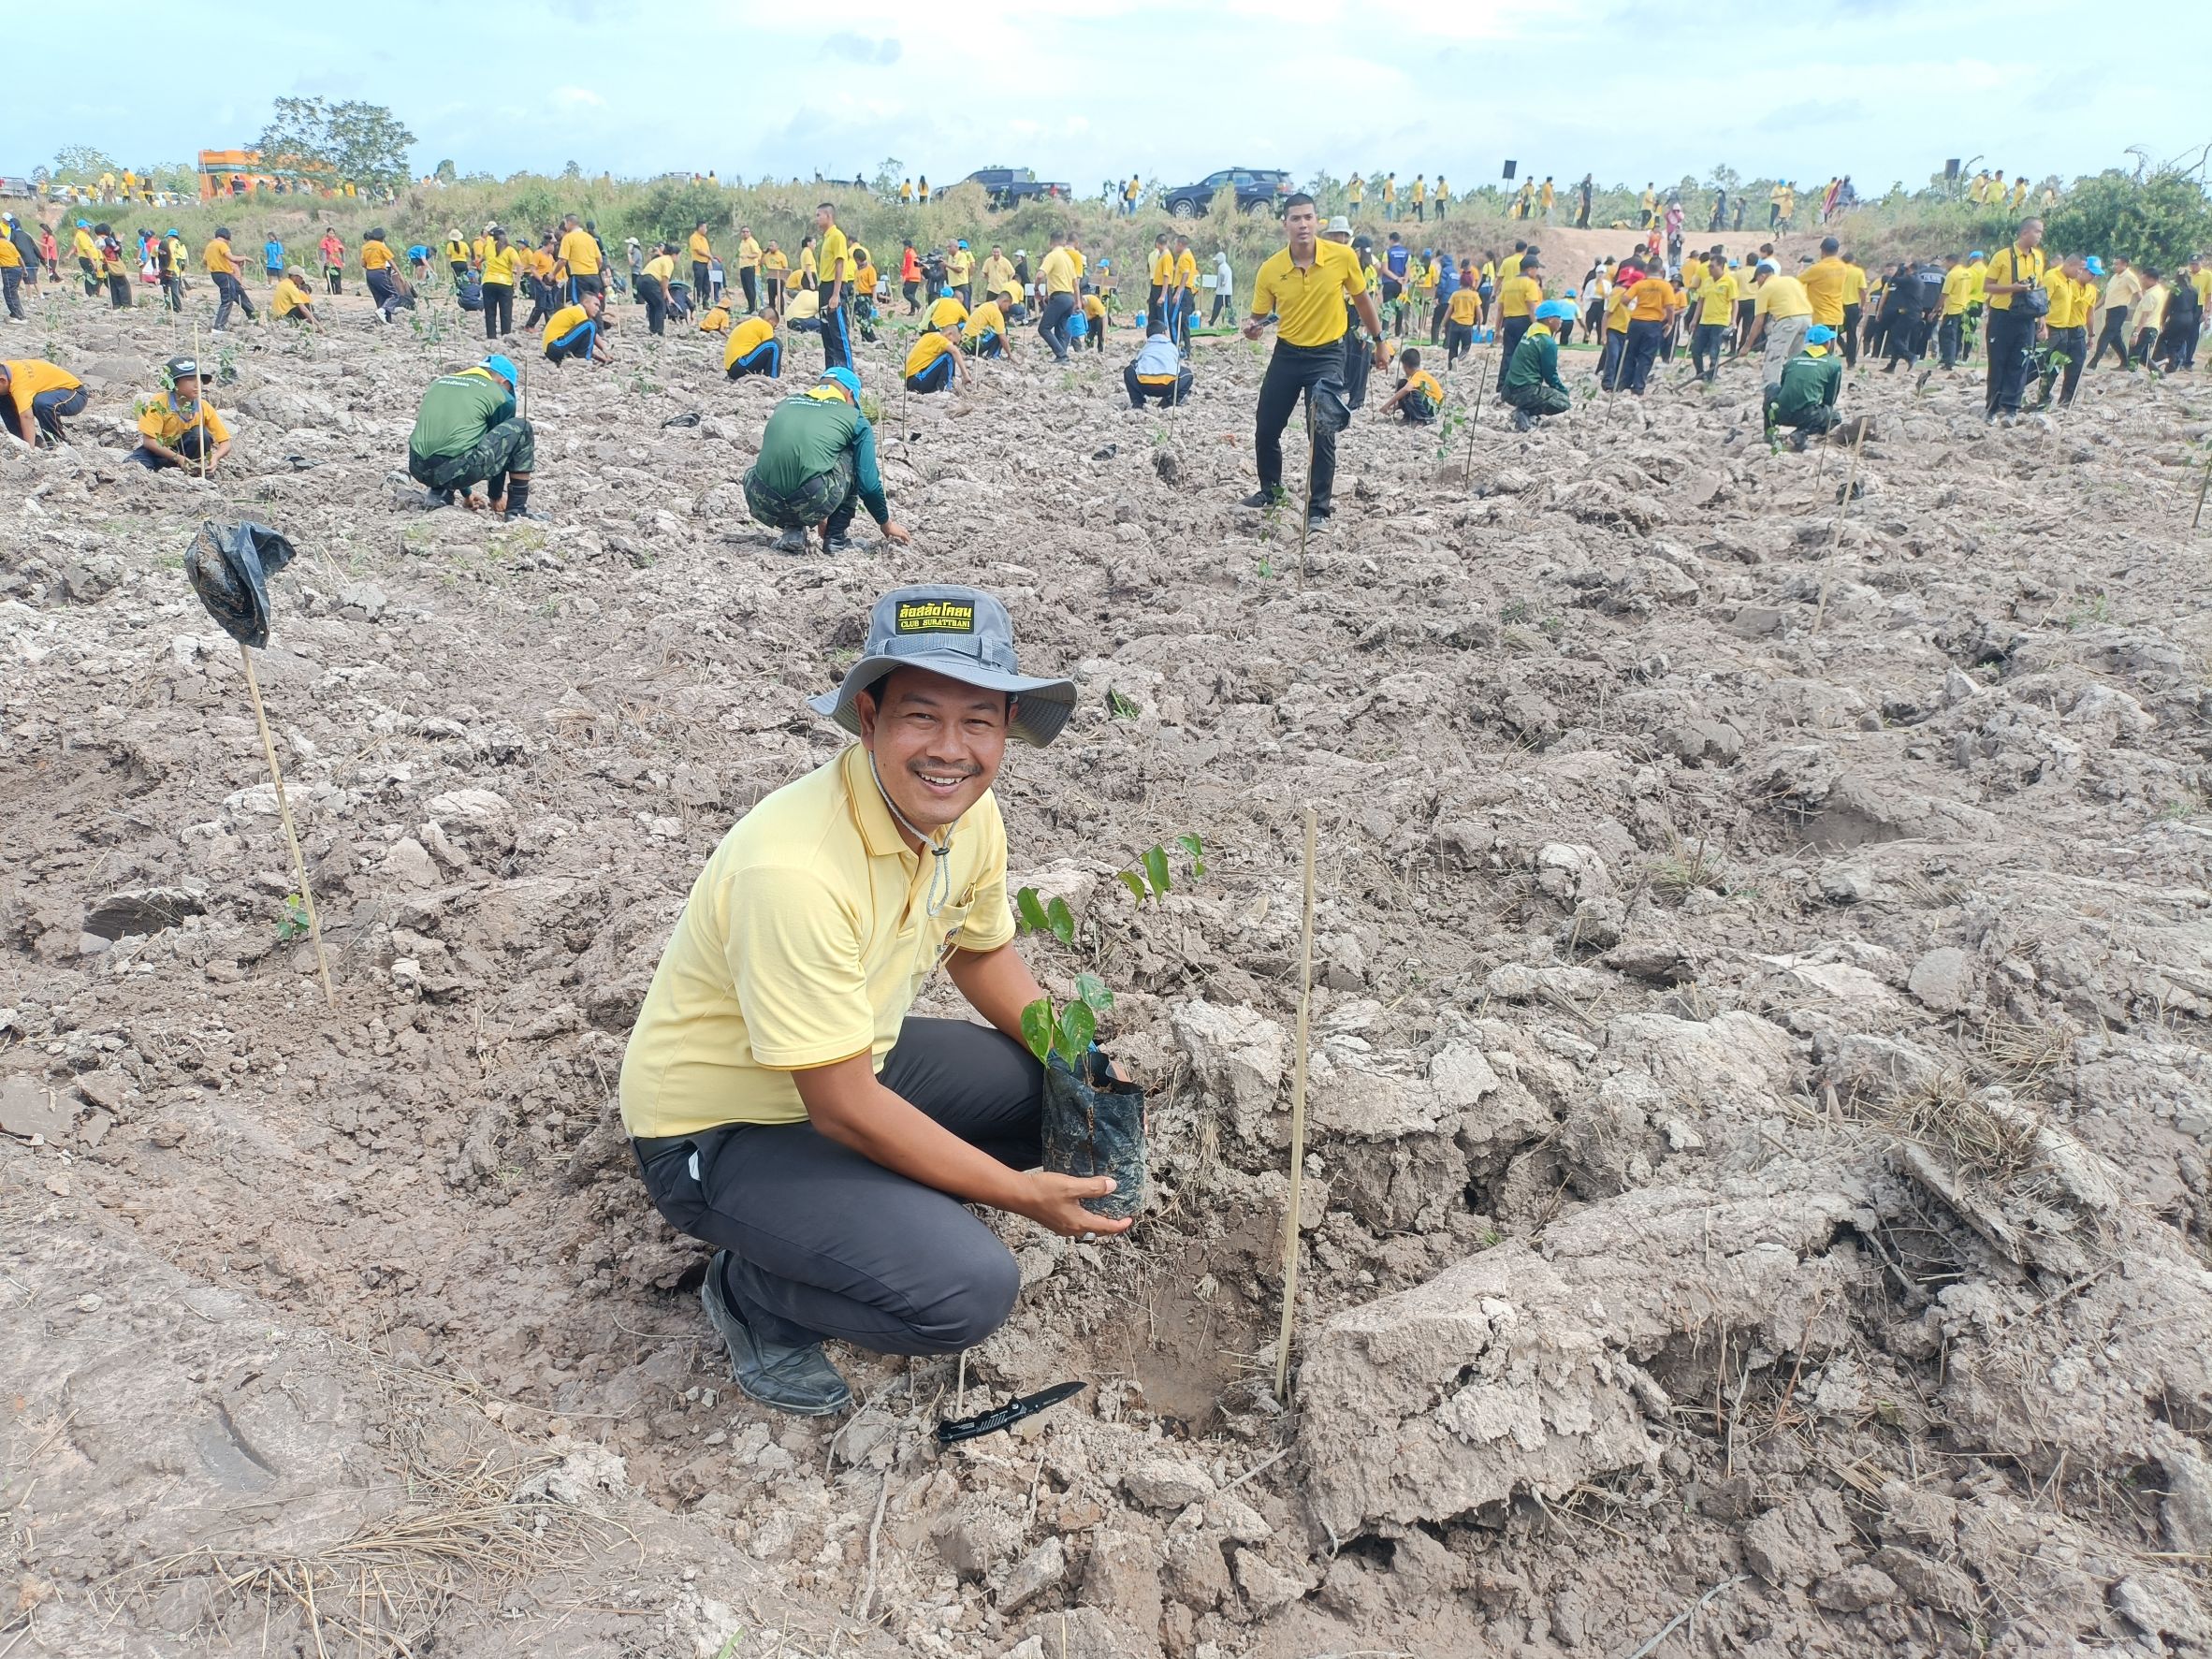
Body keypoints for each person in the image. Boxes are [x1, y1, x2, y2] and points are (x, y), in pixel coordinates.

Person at [619, 581, 1102, 1415]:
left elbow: (981, 953)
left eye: (979, 720)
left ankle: (862, 1212)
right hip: (721, 1130)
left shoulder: (964, 816)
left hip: (846, 1063)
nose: (950, 749)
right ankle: (755, 1292)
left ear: (1006, 732)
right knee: (968, 1289)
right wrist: (1017, 1194)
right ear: (870, 719)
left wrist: (1078, 1061)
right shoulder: (795, 869)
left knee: (1051, 1096)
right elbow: (843, 1108)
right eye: (922, 715)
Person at [1242, 194, 1383, 525]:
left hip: (1328, 354)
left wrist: (1380, 341)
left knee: (1321, 428)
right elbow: (1258, 319)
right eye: (1295, 219)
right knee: (1266, 426)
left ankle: (1318, 510)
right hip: (1288, 354)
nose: (1303, 224)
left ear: (1317, 221)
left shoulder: (1342, 257)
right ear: (1285, 225)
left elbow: (1363, 302)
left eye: (1308, 217)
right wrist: (1252, 329)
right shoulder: (1271, 269)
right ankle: (1271, 492)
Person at [742, 368, 911, 555]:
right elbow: (869, 485)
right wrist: (885, 523)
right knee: (852, 454)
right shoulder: (855, 420)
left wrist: (819, 515)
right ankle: (836, 539)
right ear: (850, 395)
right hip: (811, 497)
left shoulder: (786, 404)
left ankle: (793, 530)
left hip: (760, 498)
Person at [406, 355, 535, 517]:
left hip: (418, 467)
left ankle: (439, 493)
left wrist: (467, 494)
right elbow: (501, 448)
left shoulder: (438, 383)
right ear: (504, 382)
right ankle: (517, 511)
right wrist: (495, 496)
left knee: (450, 433)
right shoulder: (502, 396)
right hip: (459, 470)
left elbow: (458, 437)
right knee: (522, 428)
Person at [1982, 218, 2046, 421]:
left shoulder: (2038, 257)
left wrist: (2042, 317)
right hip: (2002, 315)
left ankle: (2011, 409)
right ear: (2025, 232)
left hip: (2027, 318)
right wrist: (2013, 288)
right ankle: (1992, 408)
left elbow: (2038, 289)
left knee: (2021, 362)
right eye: (2038, 232)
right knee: (1998, 362)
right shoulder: (2002, 256)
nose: (2040, 236)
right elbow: (1988, 286)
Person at [131, 356, 230, 473]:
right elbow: (149, 441)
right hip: (160, 451)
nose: (197, 385)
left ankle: (193, 472)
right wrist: (178, 458)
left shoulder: (204, 407)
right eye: (189, 379)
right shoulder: (159, 403)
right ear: (174, 384)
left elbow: (225, 442)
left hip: (189, 454)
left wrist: (215, 457)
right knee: (135, 465)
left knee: (199, 434)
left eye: (199, 379)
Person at [1499, 301, 1575, 430]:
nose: (1561, 322)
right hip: (1525, 392)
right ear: (1550, 319)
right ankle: (1525, 412)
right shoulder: (1547, 342)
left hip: (1508, 391)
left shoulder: (1529, 333)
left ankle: (1524, 410)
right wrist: (1563, 392)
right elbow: (1550, 375)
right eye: (1559, 318)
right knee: (1562, 402)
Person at [1766, 325, 1842, 449]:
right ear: (1827, 343)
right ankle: (1801, 433)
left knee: (1772, 388)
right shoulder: (1833, 364)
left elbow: (1784, 386)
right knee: (1834, 416)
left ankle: (1768, 432)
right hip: (1807, 416)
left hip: (1781, 413)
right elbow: (1830, 398)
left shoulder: (1792, 361)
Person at [2032, 254, 2092, 407]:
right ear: (2071, 265)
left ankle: (2046, 400)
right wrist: (2042, 325)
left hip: (2063, 331)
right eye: (2080, 269)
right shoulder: (2052, 277)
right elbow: (2041, 302)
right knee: (2035, 366)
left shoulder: (2068, 281)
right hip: (2050, 330)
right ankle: (2009, 397)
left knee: (2055, 367)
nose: (2080, 273)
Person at [1747, 260, 1814, 388]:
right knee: (1797, 357)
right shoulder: (1792, 280)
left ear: (1762, 276)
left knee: (1774, 356)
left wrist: (1747, 346)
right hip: (1807, 319)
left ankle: (1770, 388)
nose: (1758, 284)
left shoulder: (1765, 288)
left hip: (1787, 321)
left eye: (1757, 281)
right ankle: (1794, 386)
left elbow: (1758, 321)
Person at [1620, 259, 1679, 394]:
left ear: (1646, 270)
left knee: (1630, 353)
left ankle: (1624, 384)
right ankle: (1638, 386)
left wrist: (1633, 308)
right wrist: (1670, 322)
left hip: (1636, 321)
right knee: (1646, 355)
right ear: (1661, 271)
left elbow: (1624, 300)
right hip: (1653, 323)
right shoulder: (1665, 286)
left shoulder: (1640, 284)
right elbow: (1670, 307)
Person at [0, 359, 87, 444]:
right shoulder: (6, 368)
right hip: (47, 392)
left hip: (75, 394)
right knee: (3, 398)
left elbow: (26, 416)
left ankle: (57, 444)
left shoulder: (19, 385)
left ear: (3, 380)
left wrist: (29, 452)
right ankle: (33, 443)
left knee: (42, 403)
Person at [1493, 255, 1545, 392]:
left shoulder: (1508, 284)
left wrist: (1497, 329)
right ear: (1530, 269)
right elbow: (1531, 307)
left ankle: (1502, 385)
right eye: (1536, 269)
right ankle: (1522, 385)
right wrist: (1537, 326)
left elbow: (1500, 309)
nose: (1537, 272)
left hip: (1509, 322)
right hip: (1525, 321)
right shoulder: (1530, 284)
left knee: (1508, 354)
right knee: (1526, 354)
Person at [815, 203, 855, 372]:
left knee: (839, 333)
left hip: (834, 286)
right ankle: (831, 372)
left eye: (819, 215)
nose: (816, 219)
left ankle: (846, 373)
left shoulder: (837, 236)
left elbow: (840, 264)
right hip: (824, 286)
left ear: (828, 216)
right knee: (827, 333)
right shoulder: (827, 238)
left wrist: (836, 294)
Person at [1689, 253, 1735, 382]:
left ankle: (1711, 377)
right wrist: (1694, 319)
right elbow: (1701, 301)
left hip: (1720, 321)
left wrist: (1733, 320)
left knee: (1714, 352)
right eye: (1709, 266)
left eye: (1712, 267)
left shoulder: (1729, 282)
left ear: (1721, 266)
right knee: (1696, 350)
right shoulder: (1707, 282)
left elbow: (1734, 302)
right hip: (1704, 321)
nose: (1709, 269)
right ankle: (1700, 374)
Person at [1124, 321, 1191, 408]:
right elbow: (1176, 362)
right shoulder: (1171, 346)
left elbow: (1136, 362)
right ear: (1163, 333)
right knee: (1188, 373)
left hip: (1145, 385)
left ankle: (1138, 402)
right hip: (1168, 386)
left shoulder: (1146, 347)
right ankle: (1170, 402)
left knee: (1129, 369)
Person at [1037, 233, 1080, 362]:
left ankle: (1061, 354)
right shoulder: (1068, 258)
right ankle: (1062, 357)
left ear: (1051, 243)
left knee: (1044, 328)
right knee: (1060, 329)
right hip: (1070, 298)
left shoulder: (1052, 256)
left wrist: (1035, 289)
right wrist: (1078, 301)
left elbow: (1040, 275)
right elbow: (1075, 283)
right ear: (1063, 242)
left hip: (1059, 297)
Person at [204, 226, 255, 330]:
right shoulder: (222, 245)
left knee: (238, 291)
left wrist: (218, 263)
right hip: (223, 274)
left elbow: (204, 261)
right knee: (227, 300)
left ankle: (253, 314)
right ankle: (219, 327)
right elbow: (232, 257)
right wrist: (245, 258)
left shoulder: (209, 246)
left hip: (216, 274)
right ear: (226, 238)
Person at [542, 288, 611, 365]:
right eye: (596, 305)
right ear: (585, 303)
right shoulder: (578, 311)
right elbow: (594, 336)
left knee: (588, 327)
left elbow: (585, 345)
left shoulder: (573, 312)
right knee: (590, 325)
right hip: (555, 346)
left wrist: (600, 359)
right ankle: (584, 359)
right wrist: (606, 351)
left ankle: (581, 359)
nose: (597, 309)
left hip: (552, 350)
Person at [1375, 345, 1442, 424]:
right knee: (1402, 384)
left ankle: (1425, 418)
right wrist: (1395, 408)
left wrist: (1387, 405)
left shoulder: (1419, 375)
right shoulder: (1415, 376)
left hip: (1433, 407)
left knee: (1411, 392)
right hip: (1429, 404)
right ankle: (1409, 415)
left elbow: (1406, 390)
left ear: (1405, 366)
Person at [903, 318, 969, 396]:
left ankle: (940, 388)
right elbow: (955, 351)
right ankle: (945, 389)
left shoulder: (929, 336)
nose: (953, 344)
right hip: (918, 380)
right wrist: (965, 374)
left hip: (912, 381)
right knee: (948, 356)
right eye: (954, 342)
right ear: (949, 334)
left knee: (945, 358)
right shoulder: (940, 339)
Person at [361, 227, 413, 322]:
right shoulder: (381, 246)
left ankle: (386, 321)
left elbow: (363, 264)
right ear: (383, 237)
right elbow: (390, 261)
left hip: (369, 273)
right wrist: (399, 274)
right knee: (394, 295)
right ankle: (382, 311)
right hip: (380, 272)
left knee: (380, 298)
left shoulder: (365, 247)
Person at [479, 230, 519, 340]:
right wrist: (517, 281)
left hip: (489, 282)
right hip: (505, 283)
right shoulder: (510, 250)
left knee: (490, 312)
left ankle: (491, 337)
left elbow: (482, 259)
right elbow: (519, 265)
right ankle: (505, 335)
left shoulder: (488, 247)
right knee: (506, 312)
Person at [2130, 268, 2169, 369]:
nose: (2142, 282)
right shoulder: (2160, 291)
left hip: (2145, 329)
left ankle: (2132, 376)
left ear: (2151, 280)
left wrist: (2136, 333)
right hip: (2151, 328)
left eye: (2144, 280)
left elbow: (2145, 316)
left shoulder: (2151, 295)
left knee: (2134, 356)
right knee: (2143, 358)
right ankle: (2158, 375)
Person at [556, 214, 603, 301]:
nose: (565, 226)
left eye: (565, 223)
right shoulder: (590, 238)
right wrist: (594, 271)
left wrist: (553, 274)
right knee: (593, 306)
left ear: (569, 223)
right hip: (594, 277)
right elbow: (599, 260)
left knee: (579, 305)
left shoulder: (568, 238)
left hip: (580, 277)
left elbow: (562, 261)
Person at [964, 286, 1017, 358]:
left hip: (965, 343)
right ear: (1004, 301)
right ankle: (993, 356)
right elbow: (1002, 337)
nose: (1007, 309)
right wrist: (1010, 355)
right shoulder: (996, 313)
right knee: (1002, 332)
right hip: (973, 345)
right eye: (1008, 305)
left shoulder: (986, 305)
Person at [1443, 273, 1480, 368]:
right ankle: (1458, 359)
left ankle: (1451, 368)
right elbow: (1479, 311)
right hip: (1467, 325)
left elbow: (1449, 311)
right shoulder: (1474, 295)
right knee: (1466, 348)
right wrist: (1480, 323)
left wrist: (1443, 324)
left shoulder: (1455, 295)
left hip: (1454, 324)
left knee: (1452, 348)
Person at [763, 242, 790, 313]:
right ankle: (772, 312)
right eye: (769, 246)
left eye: (772, 246)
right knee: (771, 297)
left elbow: (785, 268)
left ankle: (782, 312)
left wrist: (785, 279)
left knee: (780, 296)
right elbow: (761, 263)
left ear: (777, 246)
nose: (770, 247)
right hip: (771, 278)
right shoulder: (767, 255)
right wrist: (764, 253)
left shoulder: (782, 256)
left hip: (779, 279)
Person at [1210, 249, 1235, 326]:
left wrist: (1222, 282)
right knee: (1229, 307)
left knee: (1216, 307)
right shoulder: (1227, 267)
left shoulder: (1222, 267)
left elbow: (1223, 275)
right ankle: (1232, 321)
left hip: (1222, 292)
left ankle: (1212, 321)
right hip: (1228, 291)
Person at [319, 227, 345, 295]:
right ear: (327, 233)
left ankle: (338, 292)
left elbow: (342, 251)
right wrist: (325, 262)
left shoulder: (337, 241)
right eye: (330, 233)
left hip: (337, 262)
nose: (332, 235)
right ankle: (331, 292)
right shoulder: (324, 241)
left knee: (337, 279)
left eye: (333, 233)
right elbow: (323, 253)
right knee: (330, 279)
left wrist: (343, 261)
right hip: (328, 262)